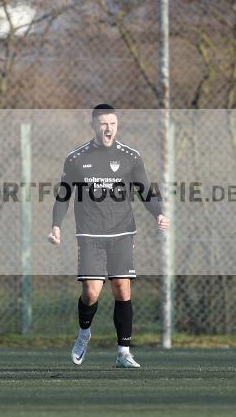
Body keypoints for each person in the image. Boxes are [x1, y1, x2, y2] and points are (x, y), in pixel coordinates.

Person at [48, 104, 169, 368]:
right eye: (103, 124)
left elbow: (145, 190)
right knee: (91, 293)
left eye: (112, 123)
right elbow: (63, 195)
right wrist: (56, 225)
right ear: (94, 125)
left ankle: (123, 352)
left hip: (122, 232)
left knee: (121, 288)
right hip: (90, 234)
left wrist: (158, 213)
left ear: (117, 125)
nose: (108, 128)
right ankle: (83, 333)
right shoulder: (76, 158)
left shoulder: (130, 156)